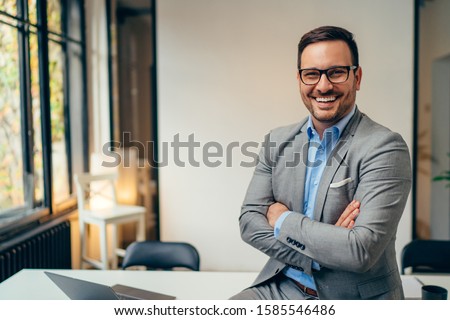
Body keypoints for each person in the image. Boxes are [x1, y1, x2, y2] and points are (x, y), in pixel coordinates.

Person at [231, 25, 412, 300]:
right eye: (311, 74)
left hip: (352, 299)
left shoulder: (385, 147)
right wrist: (318, 253)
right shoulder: (277, 141)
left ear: (357, 77)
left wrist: (283, 219)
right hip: (280, 287)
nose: (323, 85)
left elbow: (359, 250)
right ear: (300, 80)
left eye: (336, 72)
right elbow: (249, 222)